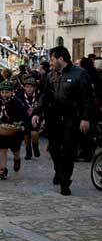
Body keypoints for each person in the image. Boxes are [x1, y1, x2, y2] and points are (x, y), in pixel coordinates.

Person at [32, 46, 93, 195]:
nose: (50, 62)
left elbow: (87, 99)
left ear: (61, 59)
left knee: (68, 150)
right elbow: (44, 97)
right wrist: (37, 113)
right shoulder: (50, 76)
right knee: (53, 148)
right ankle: (59, 171)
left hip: (72, 117)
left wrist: (85, 118)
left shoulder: (80, 74)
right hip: (53, 117)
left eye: (52, 59)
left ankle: (65, 182)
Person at [0, 81, 27, 180]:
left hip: (15, 128)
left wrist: (23, 124)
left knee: (15, 149)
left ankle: (17, 159)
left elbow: (24, 114)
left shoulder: (17, 102)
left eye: (7, 92)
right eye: (2, 92)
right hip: (3, 128)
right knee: (2, 148)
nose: (4, 94)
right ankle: (3, 169)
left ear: (12, 92)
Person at [17, 76, 41, 160]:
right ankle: (28, 151)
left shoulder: (38, 96)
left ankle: (35, 146)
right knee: (26, 135)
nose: (29, 89)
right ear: (24, 87)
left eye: (31, 87)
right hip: (24, 118)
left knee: (34, 133)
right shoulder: (20, 96)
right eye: (27, 87)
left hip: (35, 118)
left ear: (34, 87)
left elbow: (42, 107)